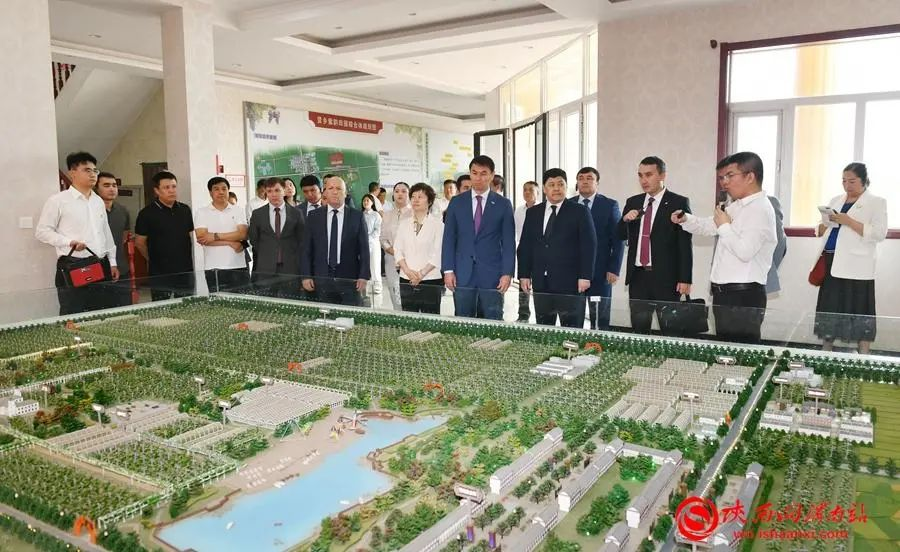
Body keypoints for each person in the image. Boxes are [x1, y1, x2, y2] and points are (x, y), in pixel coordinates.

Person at [673, 152, 776, 344]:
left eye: (730, 175)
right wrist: (686, 219)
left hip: (743, 296)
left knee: (741, 353)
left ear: (750, 176)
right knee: (725, 350)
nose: (724, 182)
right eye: (722, 177)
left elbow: (744, 251)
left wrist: (724, 226)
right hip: (726, 294)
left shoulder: (760, 209)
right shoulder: (738, 206)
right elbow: (710, 225)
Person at [814, 162, 887, 354]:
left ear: (864, 181)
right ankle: (825, 351)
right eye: (844, 181)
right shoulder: (836, 200)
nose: (847, 185)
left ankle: (864, 354)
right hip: (831, 261)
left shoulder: (876, 202)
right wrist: (823, 225)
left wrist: (849, 221)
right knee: (830, 308)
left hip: (858, 266)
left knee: (860, 309)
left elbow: (879, 233)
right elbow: (821, 228)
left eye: (852, 181)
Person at [36, 152, 119, 315]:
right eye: (87, 170)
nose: (93, 174)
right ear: (72, 173)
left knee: (100, 312)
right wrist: (68, 242)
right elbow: (42, 232)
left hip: (100, 263)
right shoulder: (58, 201)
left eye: (95, 170)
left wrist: (112, 261)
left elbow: (105, 233)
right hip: (73, 265)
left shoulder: (98, 201)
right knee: (73, 313)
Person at [619, 156, 692, 334]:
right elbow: (619, 235)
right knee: (639, 330)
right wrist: (625, 220)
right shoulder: (633, 202)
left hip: (666, 279)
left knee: (670, 331)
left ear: (662, 175)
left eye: (649, 175)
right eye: (640, 175)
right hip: (638, 278)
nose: (644, 180)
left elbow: (684, 243)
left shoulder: (678, 202)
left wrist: (685, 278)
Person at [518, 169, 596, 328]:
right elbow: (525, 245)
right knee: (545, 329)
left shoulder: (580, 211)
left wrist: (585, 276)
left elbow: (589, 245)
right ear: (544, 189)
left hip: (571, 283)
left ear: (567, 187)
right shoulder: (533, 213)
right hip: (541, 283)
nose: (556, 188)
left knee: (572, 330)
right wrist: (524, 274)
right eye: (551, 184)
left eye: (560, 184)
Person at [442, 155, 515, 320]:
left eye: (483, 173)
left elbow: (509, 243)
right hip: (462, 272)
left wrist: (507, 273)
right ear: (470, 173)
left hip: (492, 273)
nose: (478, 178)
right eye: (474, 173)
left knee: (493, 319)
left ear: (492, 175)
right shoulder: (456, 202)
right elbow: (449, 239)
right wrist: (448, 270)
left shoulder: (503, 204)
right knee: (463, 319)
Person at [301, 175, 370, 306]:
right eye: (330, 188)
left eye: (338, 188)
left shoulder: (357, 216)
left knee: (349, 315)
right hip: (321, 279)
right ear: (325, 193)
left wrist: (364, 275)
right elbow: (306, 249)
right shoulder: (314, 216)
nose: (334, 192)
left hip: (350, 279)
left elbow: (364, 249)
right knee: (324, 315)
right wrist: (306, 275)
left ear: (345, 193)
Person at [572, 166, 625, 330]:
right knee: (573, 317)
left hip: (601, 273)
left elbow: (618, 239)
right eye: (581, 178)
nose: (585, 181)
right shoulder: (568, 204)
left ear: (597, 183)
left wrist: (614, 269)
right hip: (572, 272)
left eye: (590, 178)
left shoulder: (609, 205)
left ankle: (599, 344)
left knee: (599, 318)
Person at [134, 171, 194, 301]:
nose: (171, 190)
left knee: (186, 306)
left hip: (184, 269)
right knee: (162, 308)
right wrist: (152, 258)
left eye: (174, 186)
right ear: (157, 190)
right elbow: (139, 242)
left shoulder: (185, 210)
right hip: (159, 272)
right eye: (166, 187)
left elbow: (190, 235)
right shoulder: (147, 213)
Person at [248, 178, 304, 298]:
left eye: (277, 190)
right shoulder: (258, 214)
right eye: (269, 191)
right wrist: (267, 254)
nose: (273, 194)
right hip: (265, 269)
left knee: (291, 302)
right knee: (266, 304)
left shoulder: (296, 213)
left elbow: (301, 240)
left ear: (284, 191)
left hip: (290, 269)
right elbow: (254, 239)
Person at [394, 183, 444, 314]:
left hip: (430, 279)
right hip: (406, 278)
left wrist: (421, 274)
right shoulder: (403, 224)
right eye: (413, 196)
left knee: (430, 319)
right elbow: (397, 249)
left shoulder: (438, 225)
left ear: (430, 201)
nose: (415, 200)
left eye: (420, 197)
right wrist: (407, 271)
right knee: (409, 318)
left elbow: (438, 253)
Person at [194, 176, 249, 293]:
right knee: (218, 302)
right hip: (213, 267)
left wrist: (215, 236)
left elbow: (243, 234)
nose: (221, 192)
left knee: (243, 302)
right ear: (210, 192)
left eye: (224, 189)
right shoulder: (201, 212)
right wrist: (230, 242)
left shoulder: (238, 210)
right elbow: (203, 238)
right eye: (216, 189)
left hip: (238, 265)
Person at [95, 171, 132, 307]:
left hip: (121, 267)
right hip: (97, 269)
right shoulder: (91, 211)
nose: (111, 189)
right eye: (106, 185)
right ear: (96, 189)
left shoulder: (123, 210)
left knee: (125, 309)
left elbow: (124, 236)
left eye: (114, 185)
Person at [381, 182, 411, 310]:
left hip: (410, 261)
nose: (400, 194)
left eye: (404, 191)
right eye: (397, 191)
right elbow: (382, 238)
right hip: (391, 260)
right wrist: (391, 250)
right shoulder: (387, 215)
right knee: (395, 295)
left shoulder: (414, 213)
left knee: (409, 296)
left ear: (409, 195)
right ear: (393, 194)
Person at [514, 181, 538, 322]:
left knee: (539, 284)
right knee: (523, 283)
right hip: (523, 250)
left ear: (538, 192)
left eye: (531, 190)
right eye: (525, 190)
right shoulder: (518, 211)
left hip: (539, 251)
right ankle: (523, 314)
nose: (527, 192)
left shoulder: (543, 209)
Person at [361, 193, 383, 296]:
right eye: (364, 200)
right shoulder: (360, 214)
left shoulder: (376, 215)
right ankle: (363, 285)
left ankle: (377, 286)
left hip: (373, 243)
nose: (365, 202)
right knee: (363, 265)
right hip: (362, 244)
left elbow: (378, 230)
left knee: (374, 265)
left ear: (372, 203)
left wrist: (368, 238)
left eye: (368, 200)